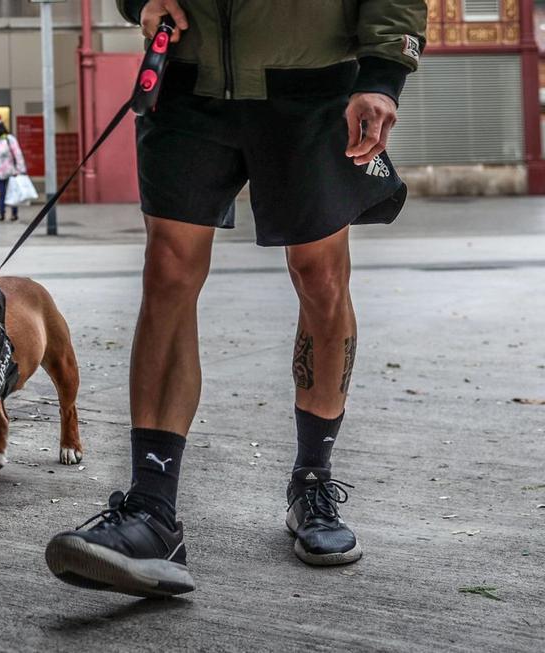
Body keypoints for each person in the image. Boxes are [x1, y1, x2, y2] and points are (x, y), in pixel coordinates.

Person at [45, 0, 426, 597]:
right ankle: (151, 509)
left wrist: (383, 77)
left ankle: (313, 480)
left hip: (314, 88)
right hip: (187, 82)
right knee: (167, 273)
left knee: (320, 277)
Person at [0, 120, 27, 222]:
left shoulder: (9, 139)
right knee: (2, 193)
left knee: (12, 192)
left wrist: (20, 169)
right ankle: (1, 214)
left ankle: (14, 214)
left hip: (11, 171)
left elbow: (17, 153)